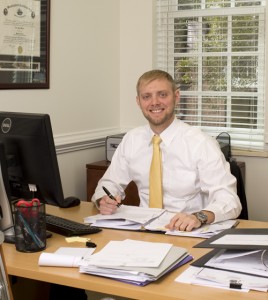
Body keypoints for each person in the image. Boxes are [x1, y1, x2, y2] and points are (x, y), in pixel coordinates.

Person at [92, 69, 242, 232]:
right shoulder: (131, 139)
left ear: (176, 96)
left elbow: (230, 201)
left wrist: (199, 216)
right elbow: (108, 184)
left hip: (186, 231)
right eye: (146, 96)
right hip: (143, 231)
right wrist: (103, 200)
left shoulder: (201, 143)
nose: (154, 102)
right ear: (138, 101)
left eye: (162, 95)